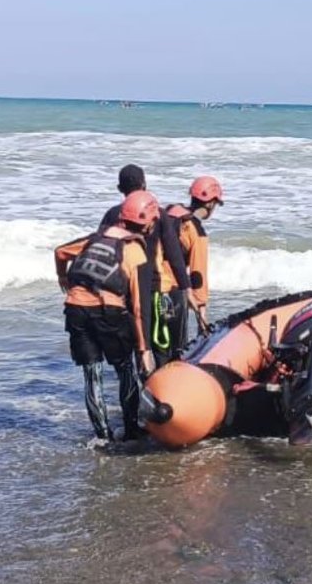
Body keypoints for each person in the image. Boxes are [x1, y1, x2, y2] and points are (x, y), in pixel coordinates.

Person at [55, 189, 160, 441]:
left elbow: (60, 252)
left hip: (75, 308)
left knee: (92, 374)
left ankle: (102, 436)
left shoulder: (94, 239)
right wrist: (144, 350)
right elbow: (137, 307)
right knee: (124, 370)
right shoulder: (134, 250)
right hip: (108, 312)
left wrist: (63, 278)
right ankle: (132, 429)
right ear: (147, 222)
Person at [100, 164, 191, 365]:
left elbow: (101, 249)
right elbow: (174, 254)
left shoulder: (112, 215)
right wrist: (186, 289)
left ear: (119, 188)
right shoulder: (157, 213)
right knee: (161, 343)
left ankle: (139, 385)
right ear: (144, 184)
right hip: (154, 289)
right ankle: (160, 386)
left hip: (123, 291)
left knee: (134, 345)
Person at [160, 175, 226, 347]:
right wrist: (201, 313)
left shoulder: (170, 212)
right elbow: (198, 275)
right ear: (211, 203)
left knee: (157, 345)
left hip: (149, 286)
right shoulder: (196, 231)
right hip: (173, 291)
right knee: (176, 348)